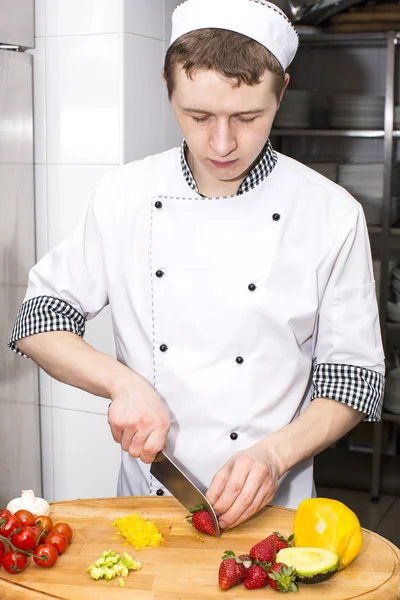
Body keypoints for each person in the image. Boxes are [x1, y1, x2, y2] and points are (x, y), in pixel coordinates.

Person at [9, 0, 384, 531]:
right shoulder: (125, 195)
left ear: (282, 90)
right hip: (150, 506)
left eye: (248, 117)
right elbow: (38, 321)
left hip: (276, 506)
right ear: (167, 84)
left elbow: (354, 376)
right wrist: (120, 383)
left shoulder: (330, 214)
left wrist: (275, 457)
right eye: (199, 116)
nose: (223, 143)